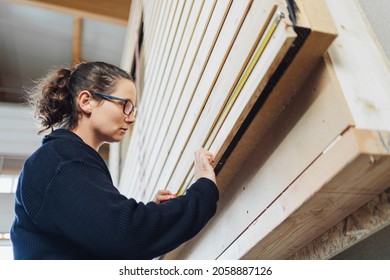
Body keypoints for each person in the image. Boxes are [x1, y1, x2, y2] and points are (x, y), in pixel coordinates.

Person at [10, 61, 219, 260]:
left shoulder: (68, 161)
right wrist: (204, 188)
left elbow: (110, 241)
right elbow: (129, 235)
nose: (131, 117)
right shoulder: (63, 161)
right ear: (87, 102)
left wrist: (154, 211)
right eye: (125, 105)